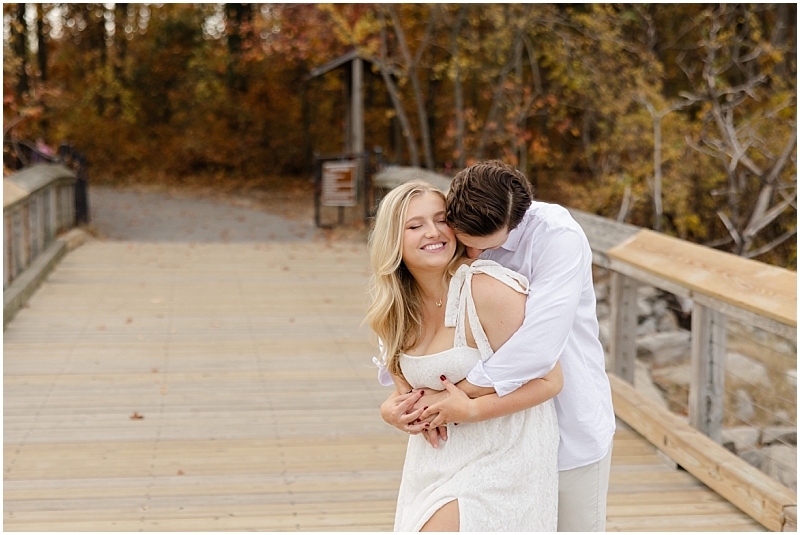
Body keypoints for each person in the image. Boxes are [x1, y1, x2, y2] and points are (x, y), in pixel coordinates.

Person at [367, 180, 563, 532]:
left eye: (441, 220)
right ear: (393, 241)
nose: (433, 232)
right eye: (415, 226)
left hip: (502, 456)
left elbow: (550, 380)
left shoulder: (486, 289)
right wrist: (391, 412)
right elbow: (406, 391)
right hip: (433, 461)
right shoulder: (394, 311)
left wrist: (472, 409)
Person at [443, 160, 616, 532]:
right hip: (494, 441)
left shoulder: (558, 238)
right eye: (465, 245)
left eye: (483, 247)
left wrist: (459, 395)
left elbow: (539, 348)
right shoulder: (455, 231)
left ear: (515, 225)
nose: (471, 257)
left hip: (568, 423)